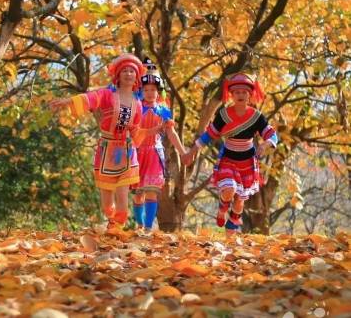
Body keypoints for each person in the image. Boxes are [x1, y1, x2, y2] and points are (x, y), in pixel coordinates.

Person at [50, 54, 162, 229]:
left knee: (123, 200)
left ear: (136, 77)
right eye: (124, 70)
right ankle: (111, 219)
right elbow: (90, 99)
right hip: (106, 150)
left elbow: (136, 131)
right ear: (118, 75)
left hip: (127, 151)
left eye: (132, 71)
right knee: (107, 205)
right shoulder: (107, 95)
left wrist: (154, 131)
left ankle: (117, 229)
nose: (128, 74)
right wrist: (68, 101)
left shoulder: (138, 104)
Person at [182, 73, 278, 233]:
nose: (240, 95)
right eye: (237, 92)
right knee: (229, 190)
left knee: (240, 201)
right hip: (228, 158)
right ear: (231, 95)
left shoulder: (256, 117)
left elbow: (272, 134)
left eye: (244, 92)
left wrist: (265, 144)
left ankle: (231, 230)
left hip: (247, 161)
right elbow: (209, 135)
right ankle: (222, 209)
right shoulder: (224, 115)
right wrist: (191, 151)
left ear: (250, 94)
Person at [131, 59, 187, 231]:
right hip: (137, 153)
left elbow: (171, 132)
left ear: (158, 91)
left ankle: (148, 227)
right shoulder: (135, 107)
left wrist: (183, 152)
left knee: (152, 191)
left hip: (155, 153)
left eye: (153, 90)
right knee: (138, 194)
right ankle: (139, 223)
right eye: (145, 89)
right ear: (141, 90)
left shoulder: (163, 110)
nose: (149, 92)